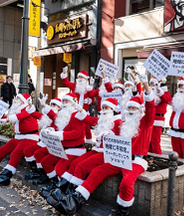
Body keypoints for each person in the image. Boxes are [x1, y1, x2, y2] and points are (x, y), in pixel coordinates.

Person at [49, 74, 155, 215]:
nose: (130, 111)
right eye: (128, 108)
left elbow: (150, 105)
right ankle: (75, 200)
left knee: (126, 183)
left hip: (136, 160)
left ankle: (122, 210)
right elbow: (94, 121)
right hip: (119, 157)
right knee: (96, 172)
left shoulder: (146, 122)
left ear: (141, 110)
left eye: (134, 109)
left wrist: (146, 84)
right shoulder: (124, 124)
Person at [149, 77, 172, 154]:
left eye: (154, 83)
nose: (152, 85)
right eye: (151, 83)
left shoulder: (164, 93)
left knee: (155, 141)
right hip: (149, 117)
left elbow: (168, 100)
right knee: (148, 141)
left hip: (157, 119)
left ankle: (158, 157)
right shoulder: (149, 92)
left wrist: (159, 92)